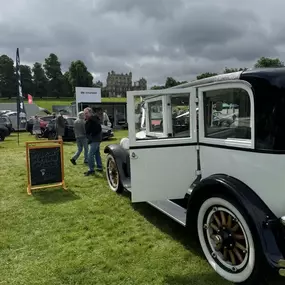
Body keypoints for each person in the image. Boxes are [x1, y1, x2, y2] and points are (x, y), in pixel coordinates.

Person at [84, 107, 103, 176]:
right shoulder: (91, 119)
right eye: (84, 113)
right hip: (95, 139)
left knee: (90, 154)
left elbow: (98, 129)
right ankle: (99, 167)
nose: (85, 114)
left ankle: (91, 169)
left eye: (86, 113)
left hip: (95, 139)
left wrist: (91, 135)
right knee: (96, 153)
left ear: (90, 113)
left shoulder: (93, 120)